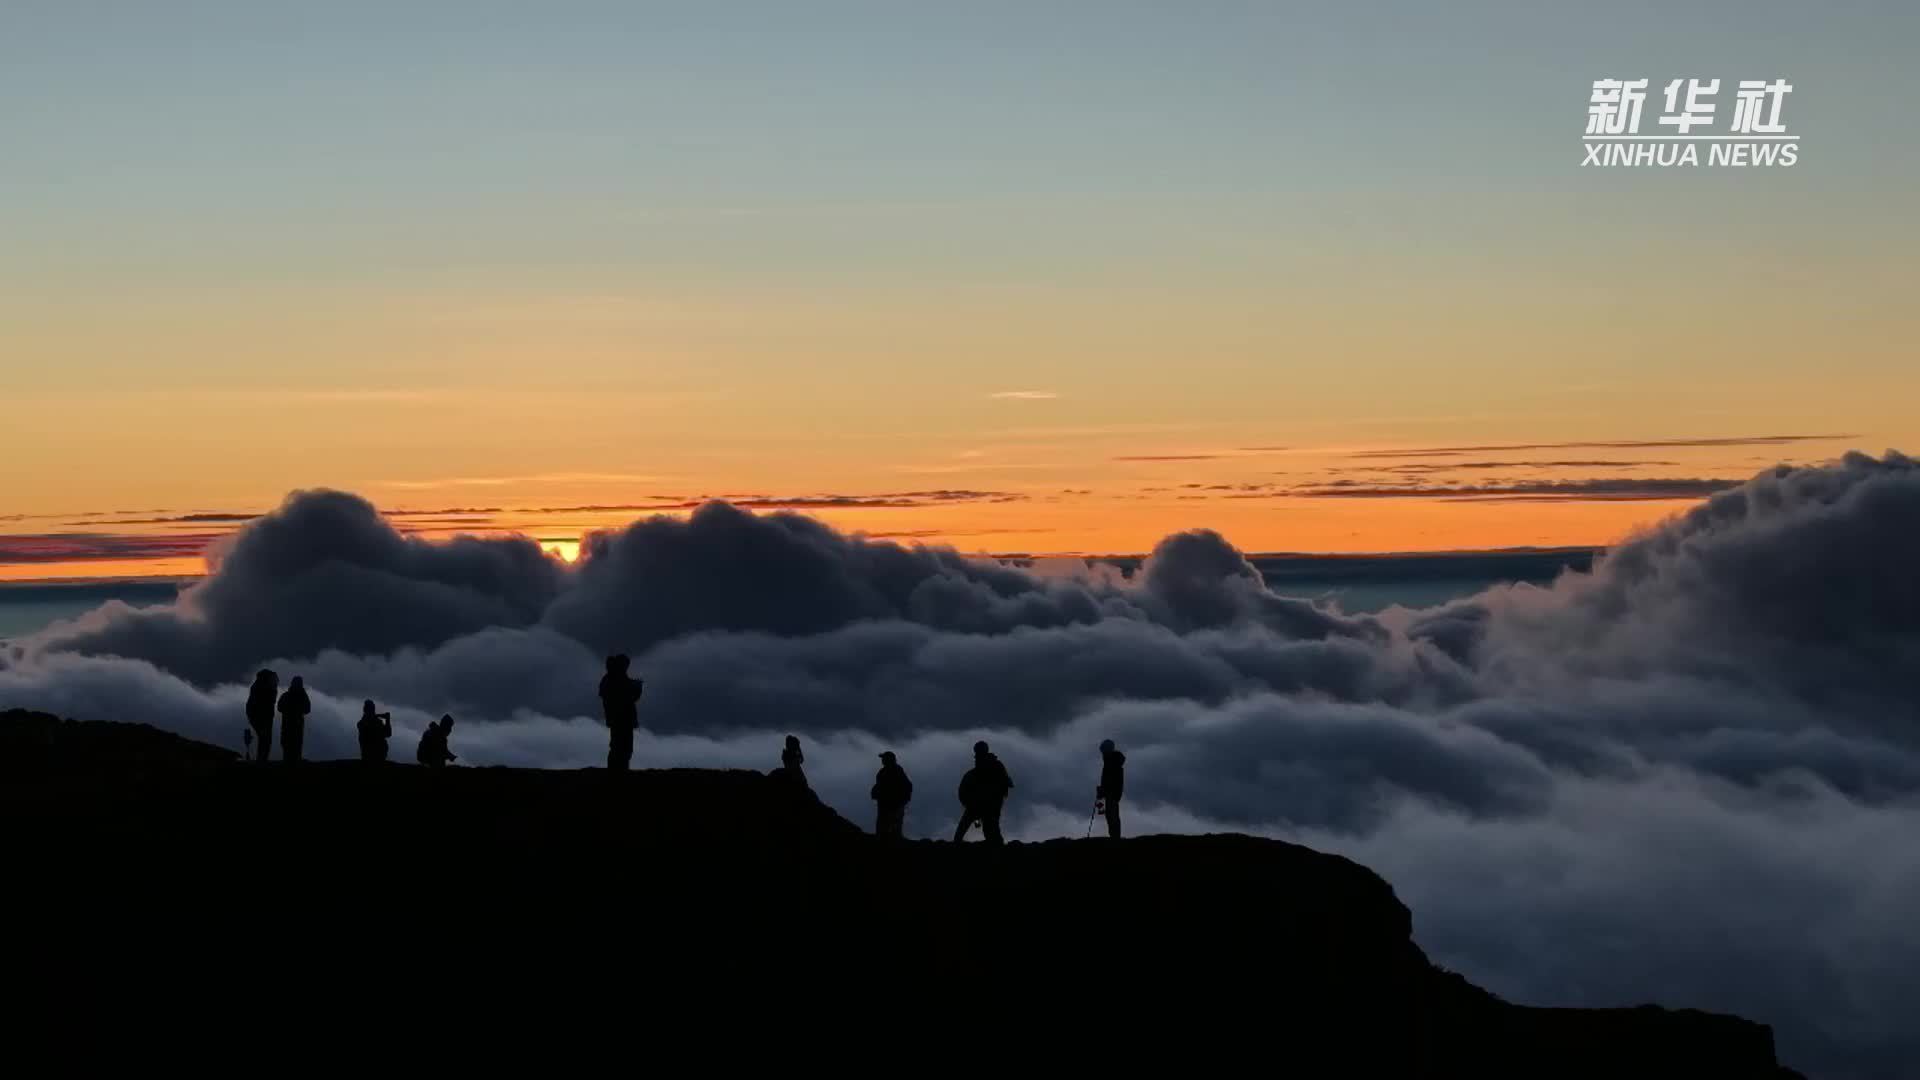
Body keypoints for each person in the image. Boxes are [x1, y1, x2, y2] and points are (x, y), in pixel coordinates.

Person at [953, 740, 1014, 846]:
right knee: (990, 832)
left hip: (986, 807)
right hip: (979, 806)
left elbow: (1006, 784)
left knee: (990, 832)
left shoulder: (994, 767)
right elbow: (1007, 784)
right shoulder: (977, 772)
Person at [598, 654, 643, 771]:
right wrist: (637, 688)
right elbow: (628, 698)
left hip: (616, 718)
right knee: (623, 747)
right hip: (622, 718)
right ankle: (619, 772)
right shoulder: (617, 679)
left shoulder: (610, 678)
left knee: (618, 747)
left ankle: (617, 771)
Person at [871, 750, 913, 840]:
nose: (882, 760)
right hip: (888, 803)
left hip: (892, 804)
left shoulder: (892, 771)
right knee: (887, 825)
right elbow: (908, 786)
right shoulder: (887, 771)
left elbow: (907, 786)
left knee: (890, 825)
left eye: (884, 759)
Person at [277, 675, 311, 764]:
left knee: (288, 743)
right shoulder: (303, 696)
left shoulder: (286, 695)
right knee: (296, 743)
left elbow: (279, 707)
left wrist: (289, 710)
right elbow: (307, 709)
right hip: (296, 723)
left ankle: (289, 761)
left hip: (288, 723)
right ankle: (295, 760)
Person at [245, 669, 277, 763]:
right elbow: (268, 702)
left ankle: (262, 759)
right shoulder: (263, 687)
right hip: (262, 717)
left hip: (259, 716)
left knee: (264, 739)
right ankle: (262, 759)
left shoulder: (258, 686)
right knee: (265, 739)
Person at [1097, 738, 1126, 839]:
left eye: (1103, 751)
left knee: (1112, 816)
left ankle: (1115, 837)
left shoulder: (1111, 763)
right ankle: (1114, 837)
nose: (1102, 754)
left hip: (1112, 794)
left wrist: (1103, 789)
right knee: (1111, 816)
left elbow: (1111, 781)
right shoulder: (1112, 762)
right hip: (1112, 793)